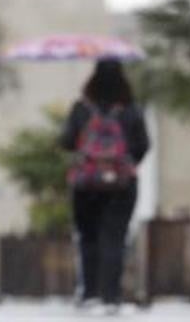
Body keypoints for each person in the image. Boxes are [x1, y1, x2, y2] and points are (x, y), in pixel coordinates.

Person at [58, 58, 150, 313]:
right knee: (115, 238)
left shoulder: (81, 108)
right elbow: (143, 146)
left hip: (86, 185)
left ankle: (90, 294)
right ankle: (111, 296)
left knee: (88, 239)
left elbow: (66, 141)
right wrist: (121, 164)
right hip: (122, 185)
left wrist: (89, 157)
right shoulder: (131, 109)